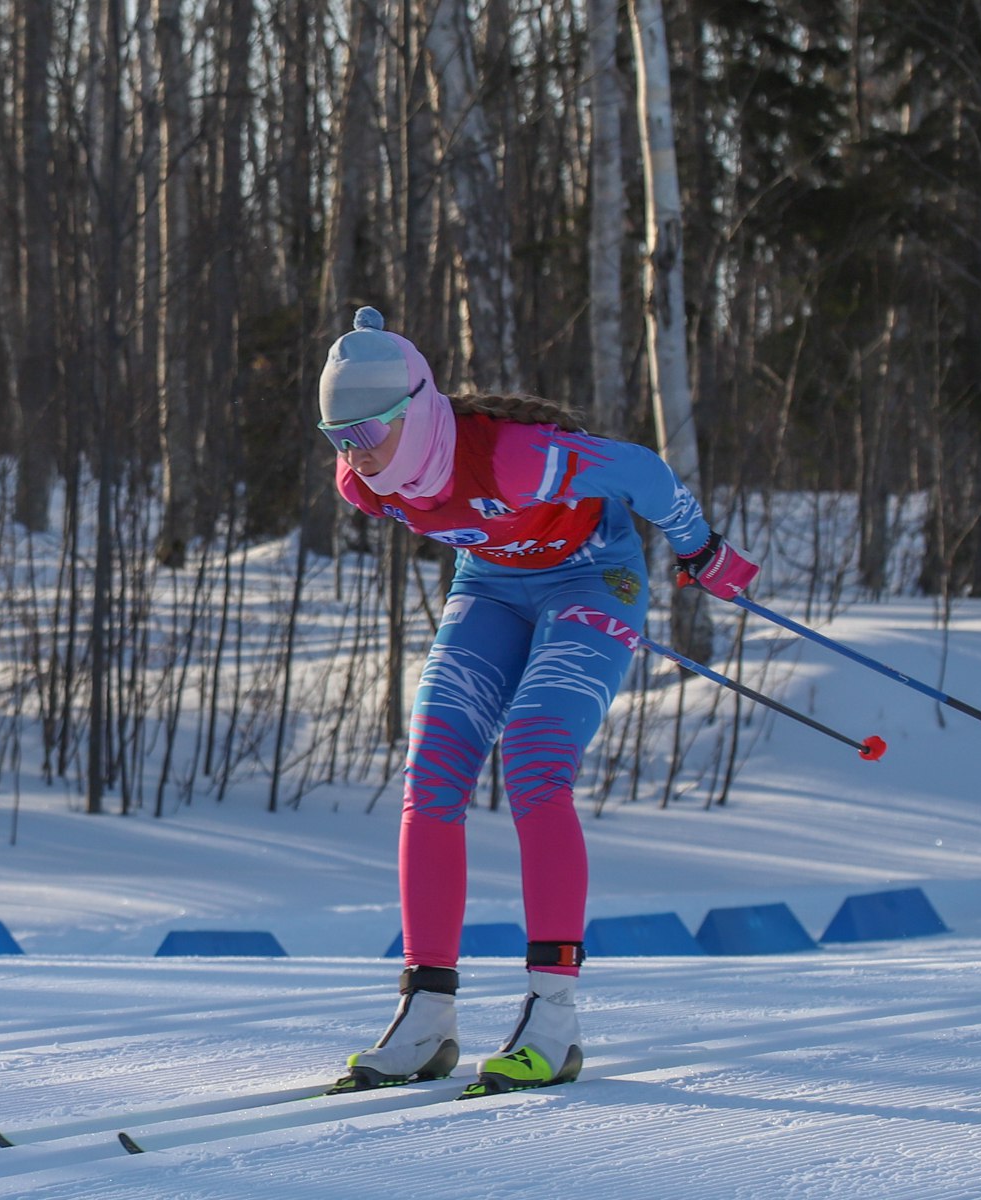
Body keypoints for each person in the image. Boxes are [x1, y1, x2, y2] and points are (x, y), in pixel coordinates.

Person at [317, 307, 758, 1097]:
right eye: (337, 438)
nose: (355, 454)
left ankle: (553, 1018)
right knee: (432, 772)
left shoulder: (519, 459)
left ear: (414, 411)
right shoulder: (363, 484)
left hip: (594, 576)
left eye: (367, 432)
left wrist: (701, 548)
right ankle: (426, 1014)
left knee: (533, 756)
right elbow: (459, 528)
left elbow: (643, 473)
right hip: (491, 587)